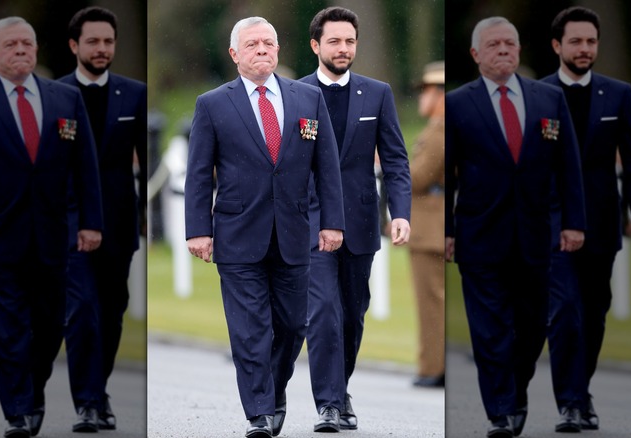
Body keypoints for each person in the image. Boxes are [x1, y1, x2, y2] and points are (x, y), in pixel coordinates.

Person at [183, 16, 344, 438]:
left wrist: (332, 223)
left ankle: (273, 392)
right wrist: (197, 229)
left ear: (278, 49)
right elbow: (199, 173)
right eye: (252, 44)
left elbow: (327, 167)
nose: (262, 50)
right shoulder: (213, 104)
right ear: (235, 54)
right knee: (250, 327)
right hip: (237, 234)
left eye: (269, 43)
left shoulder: (307, 99)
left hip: (295, 233)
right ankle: (259, 413)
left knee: (292, 326)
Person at [0, 16, 103, 438]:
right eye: (10, 45)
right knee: (7, 326)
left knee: (51, 325)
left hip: (54, 235)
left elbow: (85, 167)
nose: (21, 51)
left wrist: (91, 223)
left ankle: (31, 390)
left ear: (36, 49)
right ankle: (19, 410)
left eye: (27, 44)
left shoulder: (65, 99)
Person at [445, 16, 586, 438]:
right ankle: (501, 412)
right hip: (479, 234)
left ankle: (516, 392)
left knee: (531, 325)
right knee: (490, 328)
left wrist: (574, 222)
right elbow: (447, 173)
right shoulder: (458, 103)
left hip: (536, 234)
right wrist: (447, 230)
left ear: (521, 49)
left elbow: (568, 166)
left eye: (511, 43)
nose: (504, 50)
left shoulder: (548, 99)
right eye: (493, 45)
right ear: (475, 54)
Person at [296, 6, 411, 433]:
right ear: (315, 45)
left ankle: (339, 390)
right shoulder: (295, 93)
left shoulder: (377, 93)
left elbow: (396, 160)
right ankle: (328, 404)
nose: (343, 49)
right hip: (309, 223)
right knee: (323, 310)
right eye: (334, 42)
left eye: (349, 41)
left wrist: (400, 213)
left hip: (361, 222)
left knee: (352, 313)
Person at [541, 7, 631, 431]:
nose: (585, 49)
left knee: (594, 310)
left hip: (603, 223)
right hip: (553, 226)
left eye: (591, 41)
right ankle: (570, 402)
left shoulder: (618, 94)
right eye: (576, 41)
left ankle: (580, 390)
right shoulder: (538, 94)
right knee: (565, 310)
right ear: (557, 45)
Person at [57, 6, 147, 432]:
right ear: (75, 45)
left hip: (118, 222)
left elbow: (146, 165)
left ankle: (99, 390)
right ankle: (88, 403)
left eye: (108, 41)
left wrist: (147, 218)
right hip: (68, 224)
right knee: (81, 311)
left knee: (112, 313)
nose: (102, 49)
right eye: (92, 41)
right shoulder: (52, 95)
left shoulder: (135, 95)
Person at [409, 61, 445, 389]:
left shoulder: (440, 129)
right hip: (433, 226)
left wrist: (387, 162)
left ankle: (434, 366)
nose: (422, 97)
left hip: (431, 227)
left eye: (426, 91)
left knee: (431, 303)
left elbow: (419, 177)